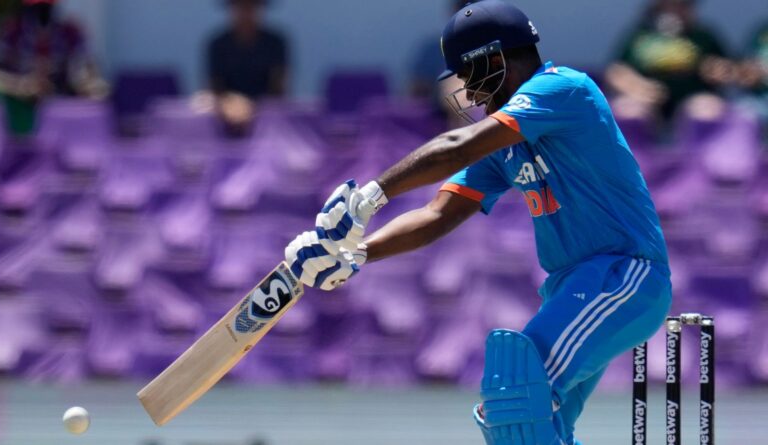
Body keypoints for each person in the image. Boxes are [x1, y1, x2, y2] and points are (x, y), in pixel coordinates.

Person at [285, 1, 672, 444]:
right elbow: (437, 214)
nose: (469, 92)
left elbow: (456, 146)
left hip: (622, 274)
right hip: (575, 285)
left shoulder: (564, 89)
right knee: (534, 421)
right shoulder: (504, 145)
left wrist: (368, 197)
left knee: (515, 393)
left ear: (495, 58)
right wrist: (357, 254)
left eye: (470, 75)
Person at [0, 0, 106, 135]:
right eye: (37, 6)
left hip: (61, 104)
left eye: (47, 5)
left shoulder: (70, 32)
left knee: (95, 101)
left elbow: (86, 72)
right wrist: (21, 86)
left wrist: (90, 87)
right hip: (18, 105)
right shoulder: (12, 30)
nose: (42, 10)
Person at [604, 0, 732, 125]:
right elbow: (615, 71)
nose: (675, 9)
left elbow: (728, 69)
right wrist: (637, 87)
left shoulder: (703, 36)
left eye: (682, 5)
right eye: (669, 5)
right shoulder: (640, 36)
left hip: (693, 100)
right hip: (648, 105)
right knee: (628, 110)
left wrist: (718, 71)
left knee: (707, 110)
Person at [206, 0, 288, 134]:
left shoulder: (276, 43)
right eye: (240, 6)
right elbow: (215, 88)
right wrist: (230, 105)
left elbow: (279, 89)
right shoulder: (217, 45)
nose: (246, 13)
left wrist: (254, 109)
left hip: (268, 119)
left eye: (251, 7)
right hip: (226, 116)